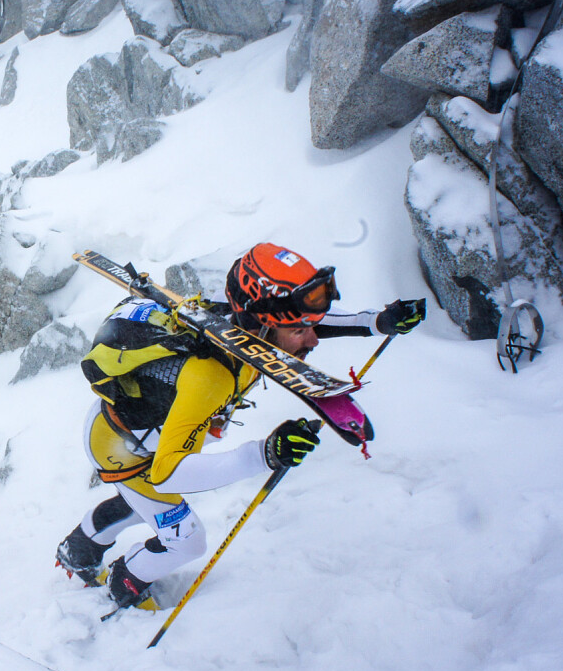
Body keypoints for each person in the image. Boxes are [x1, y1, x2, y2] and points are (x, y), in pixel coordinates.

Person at [56, 243, 426, 610]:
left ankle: (80, 548)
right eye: (300, 332)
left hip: (130, 432)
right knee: (187, 539)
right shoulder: (211, 378)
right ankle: (126, 580)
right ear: (263, 324)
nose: (312, 339)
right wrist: (262, 455)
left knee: (145, 506)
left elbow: (307, 322)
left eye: (309, 328)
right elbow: (167, 474)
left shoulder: (228, 311)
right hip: (123, 450)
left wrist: (374, 322)